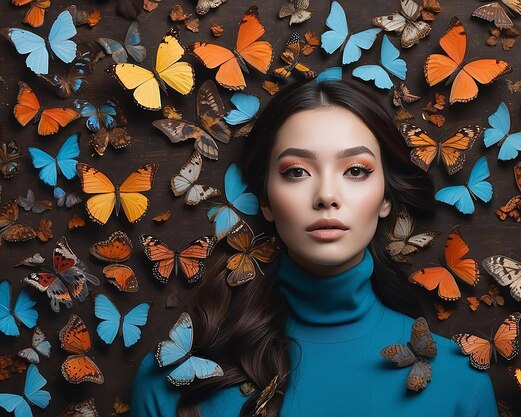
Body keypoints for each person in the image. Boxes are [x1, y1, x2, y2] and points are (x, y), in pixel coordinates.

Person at [130, 80, 498, 417]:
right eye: (296, 172)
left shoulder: (461, 384)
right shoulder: (173, 381)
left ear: (386, 197)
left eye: (355, 170)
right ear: (266, 202)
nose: (326, 195)